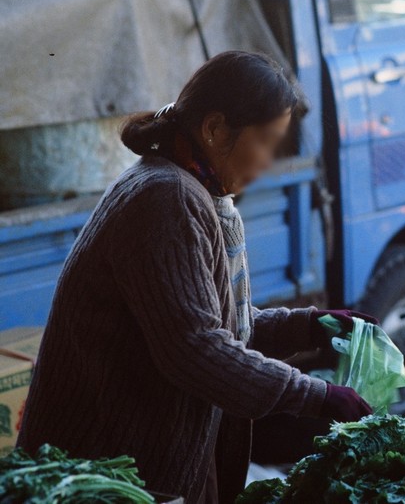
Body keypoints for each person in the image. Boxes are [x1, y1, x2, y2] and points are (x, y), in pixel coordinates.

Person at [17, 51, 375, 504]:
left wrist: (307, 325)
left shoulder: (186, 189)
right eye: (265, 141)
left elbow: (215, 324)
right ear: (213, 129)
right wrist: (313, 395)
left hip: (143, 465)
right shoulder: (166, 199)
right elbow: (196, 347)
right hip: (106, 472)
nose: (267, 161)